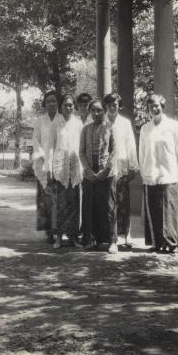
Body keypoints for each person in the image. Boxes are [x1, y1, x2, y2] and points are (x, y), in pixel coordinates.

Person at [139, 94, 178, 254]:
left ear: (162, 106)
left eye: (157, 105)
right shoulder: (145, 128)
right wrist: (144, 172)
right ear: (148, 109)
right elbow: (142, 152)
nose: (154, 108)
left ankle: (171, 244)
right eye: (151, 106)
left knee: (169, 210)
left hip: (169, 174)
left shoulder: (174, 126)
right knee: (154, 210)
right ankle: (157, 243)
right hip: (151, 174)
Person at [79, 99, 117, 253]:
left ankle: (112, 241)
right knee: (90, 207)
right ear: (90, 112)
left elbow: (115, 151)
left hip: (106, 175)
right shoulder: (86, 129)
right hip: (89, 175)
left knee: (108, 207)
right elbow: (81, 152)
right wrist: (88, 170)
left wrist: (105, 171)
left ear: (104, 111)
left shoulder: (110, 128)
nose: (96, 113)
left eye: (99, 110)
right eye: (93, 110)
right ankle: (91, 240)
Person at [103, 92, 139, 248]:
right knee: (110, 204)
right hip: (105, 169)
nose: (113, 106)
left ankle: (127, 234)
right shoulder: (100, 122)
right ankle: (112, 239)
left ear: (119, 106)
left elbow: (131, 144)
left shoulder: (124, 123)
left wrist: (133, 166)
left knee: (124, 202)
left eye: (115, 104)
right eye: (110, 103)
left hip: (122, 167)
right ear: (106, 105)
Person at [52, 94, 83, 248]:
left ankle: (74, 237)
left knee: (75, 203)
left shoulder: (78, 123)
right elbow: (51, 146)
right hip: (60, 167)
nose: (68, 107)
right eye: (65, 105)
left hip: (75, 166)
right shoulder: (56, 123)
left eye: (71, 105)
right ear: (60, 106)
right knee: (61, 204)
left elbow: (81, 145)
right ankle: (58, 238)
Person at [33, 90, 62, 244]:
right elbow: (36, 141)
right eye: (49, 101)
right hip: (42, 163)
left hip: (58, 163)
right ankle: (48, 232)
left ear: (58, 103)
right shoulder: (39, 121)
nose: (51, 103)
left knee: (58, 199)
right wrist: (44, 158)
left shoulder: (62, 119)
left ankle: (59, 231)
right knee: (45, 199)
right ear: (45, 104)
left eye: (54, 101)